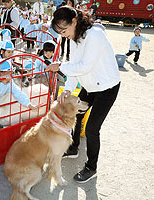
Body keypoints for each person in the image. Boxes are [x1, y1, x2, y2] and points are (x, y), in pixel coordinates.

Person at [46, 6, 121, 183]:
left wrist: (60, 67)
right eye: (60, 32)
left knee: (92, 129)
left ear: (74, 21)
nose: (64, 35)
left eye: (64, 30)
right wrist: (67, 90)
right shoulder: (74, 38)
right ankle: (73, 148)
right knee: (77, 116)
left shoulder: (95, 35)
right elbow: (75, 67)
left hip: (107, 87)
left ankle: (91, 167)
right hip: (89, 85)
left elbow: (85, 66)